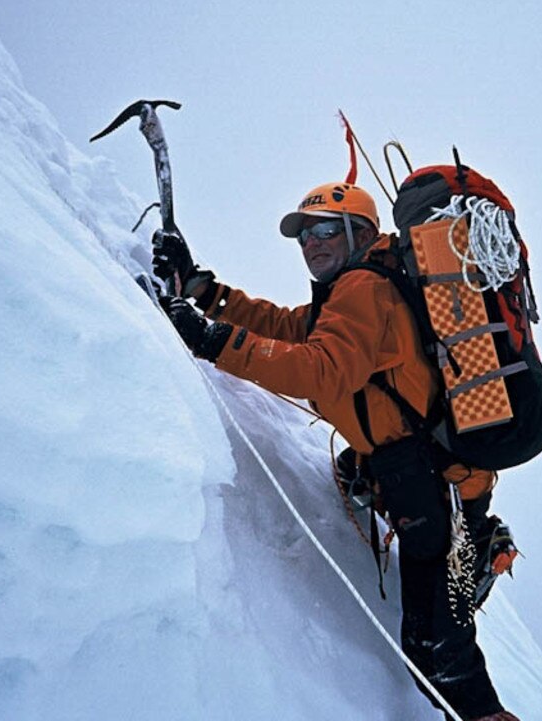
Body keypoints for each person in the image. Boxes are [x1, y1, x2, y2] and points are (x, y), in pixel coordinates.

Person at [154, 182, 520, 721]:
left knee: (437, 653)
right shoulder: (359, 288)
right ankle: (478, 542)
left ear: (361, 234)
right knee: (360, 473)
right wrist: (208, 294)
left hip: (430, 484)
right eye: (305, 234)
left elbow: (318, 369)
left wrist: (210, 338)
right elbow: (287, 326)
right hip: (433, 471)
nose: (312, 243)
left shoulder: (364, 289)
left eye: (326, 230)